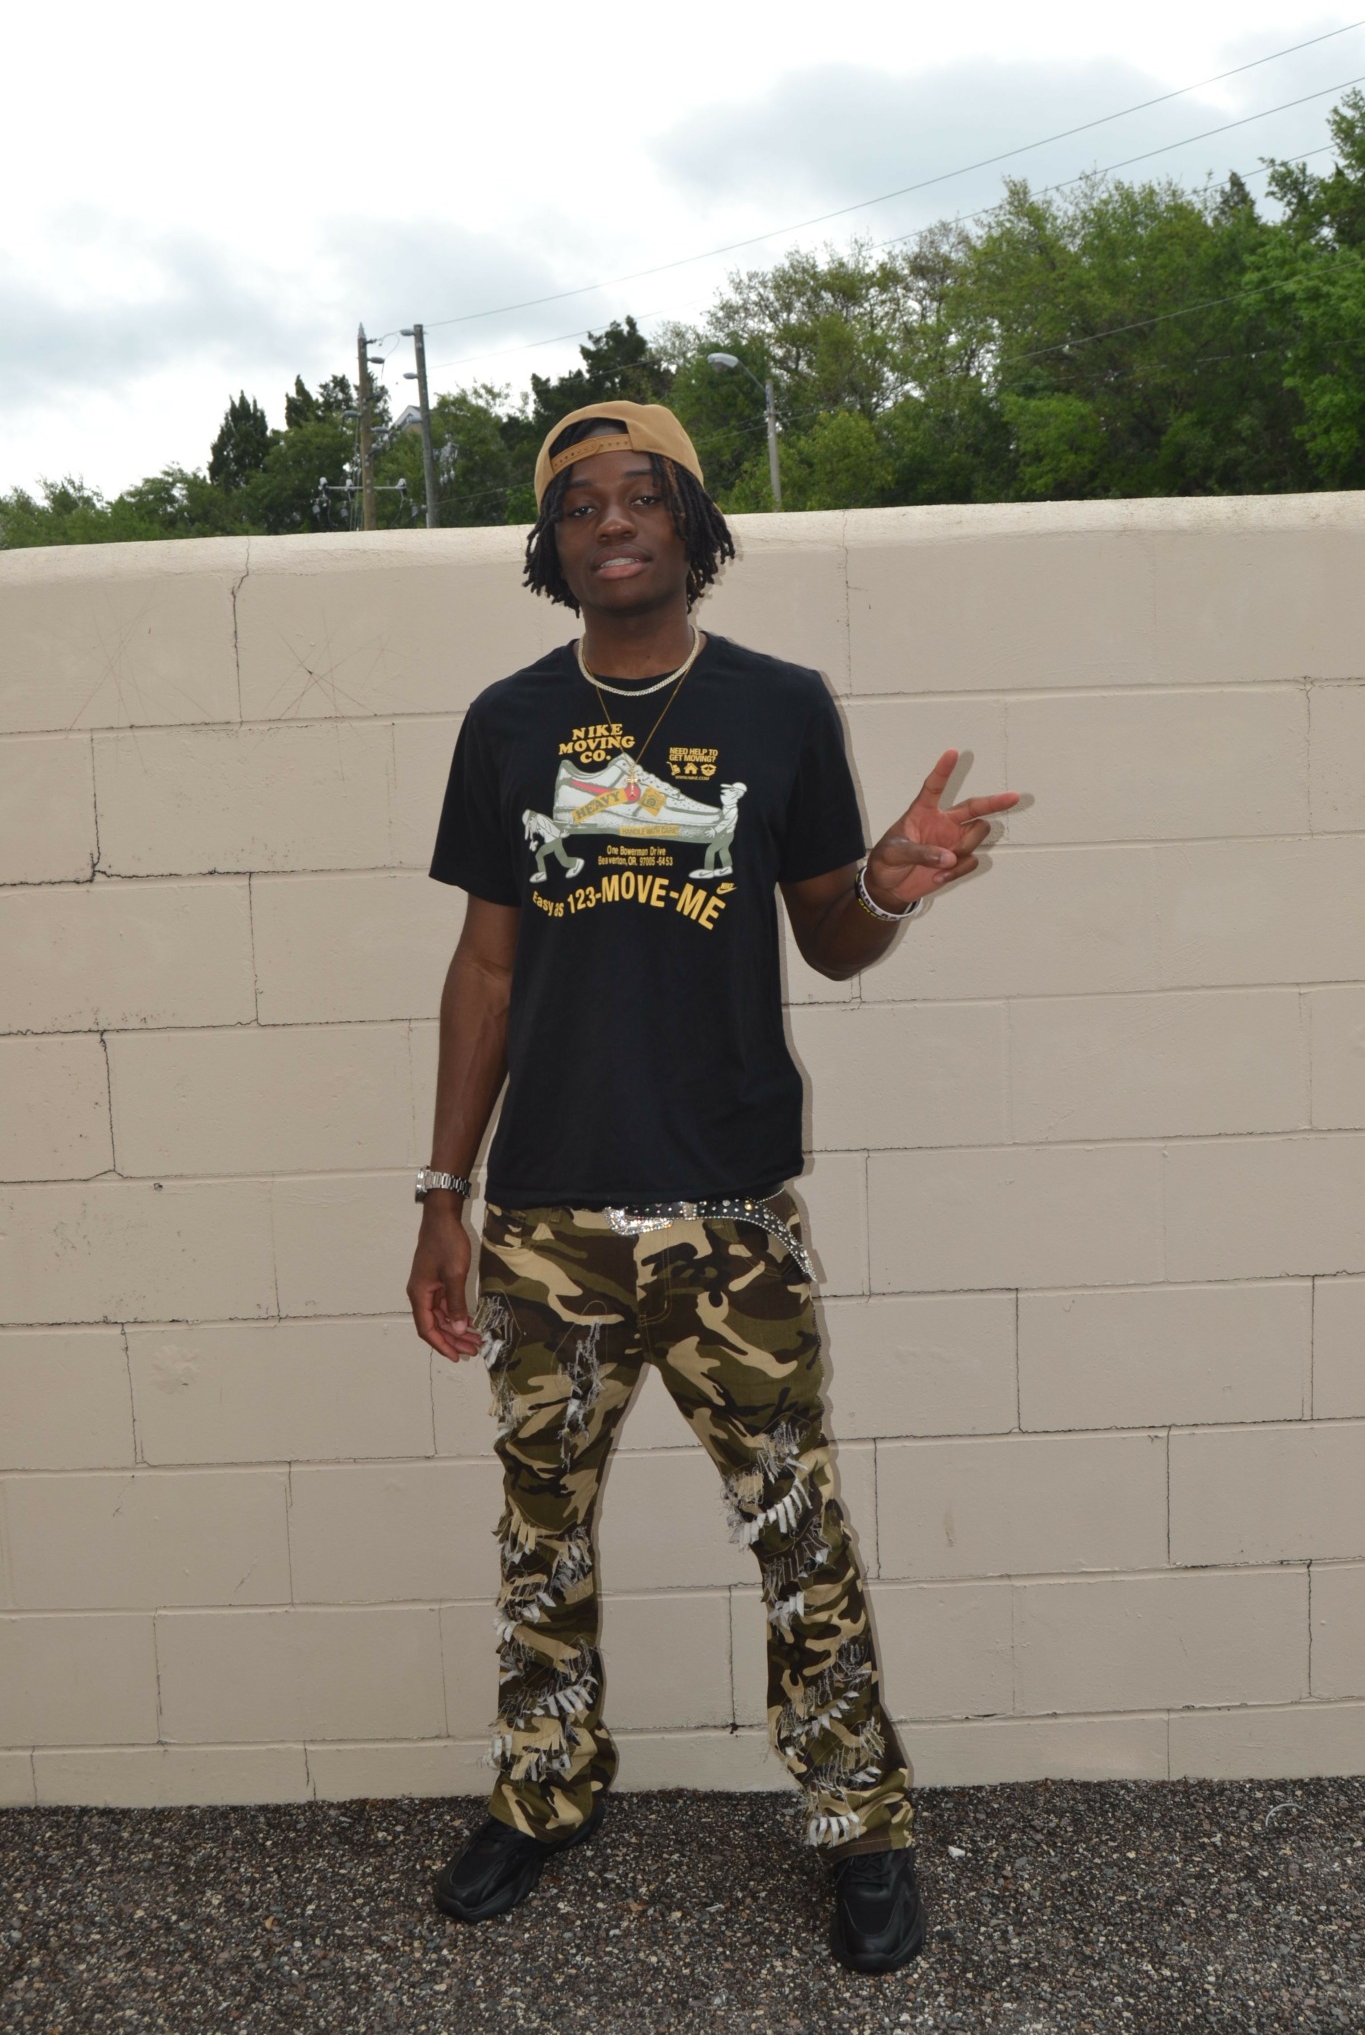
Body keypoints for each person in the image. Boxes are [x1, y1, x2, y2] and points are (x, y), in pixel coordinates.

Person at [406, 401, 1018, 1975]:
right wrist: (442, 1193)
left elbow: (830, 933)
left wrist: (888, 884)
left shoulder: (777, 706)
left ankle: (858, 1821)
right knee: (540, 1536)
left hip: (729, 1212)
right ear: (550, 548)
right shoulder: (505, 722)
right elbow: (485, 970)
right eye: (577, 504)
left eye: (640, 495)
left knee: (796, 1528)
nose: (610, 521)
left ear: (689, 524)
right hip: (547, 1216)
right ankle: (542, 1792)